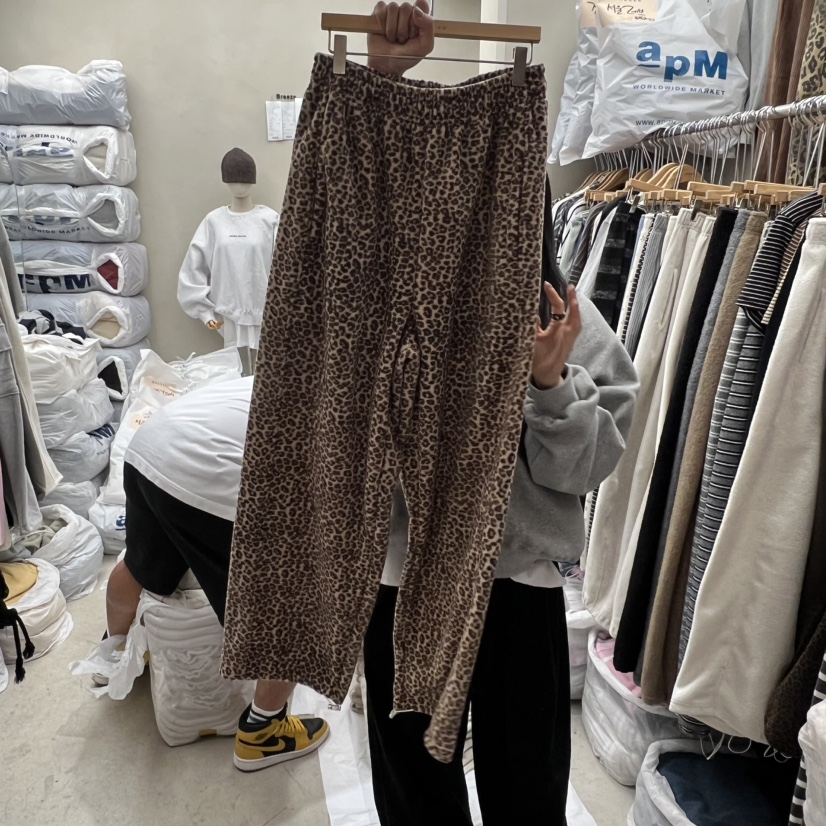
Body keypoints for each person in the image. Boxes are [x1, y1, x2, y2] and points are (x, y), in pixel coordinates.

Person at [361, 3, 639, 824]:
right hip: (404, 579)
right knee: (415, 794)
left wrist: (549, 386)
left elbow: (590, 466)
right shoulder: (385, 306)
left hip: (517, 589)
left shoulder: (563, 317)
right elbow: (340, 221)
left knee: (527, 793)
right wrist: (381, 82)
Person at [103, 375, 330, 772]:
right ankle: (264, 733)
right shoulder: (371, 409)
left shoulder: (308, 367)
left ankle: (113, 656)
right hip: (207, 472)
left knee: (142, 563)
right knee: (293, 612)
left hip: (151, 448)